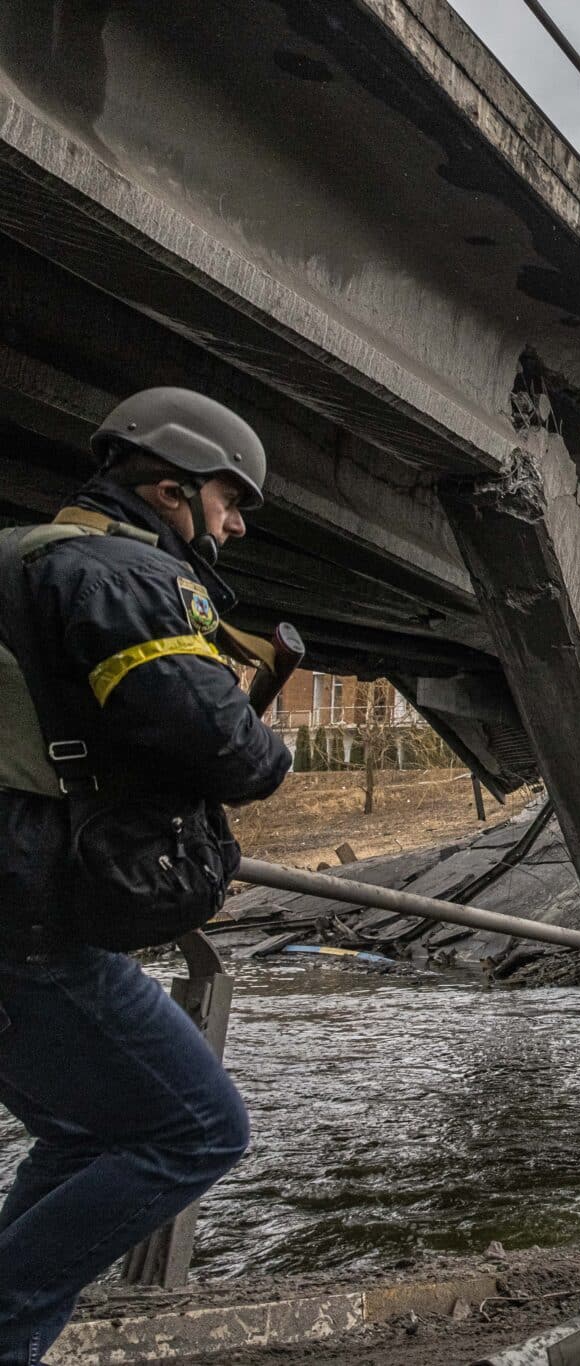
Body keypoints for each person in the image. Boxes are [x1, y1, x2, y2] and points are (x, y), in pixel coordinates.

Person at [0, 387, 292, 1365]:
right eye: (227, 499)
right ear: (169, 486)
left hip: (18, 903)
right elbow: (220, 743)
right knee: (199, 1127)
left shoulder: (21, 557)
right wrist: (272, 747)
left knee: (87, 1134)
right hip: (26, 913)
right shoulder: (123, 573)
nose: (236, 523)